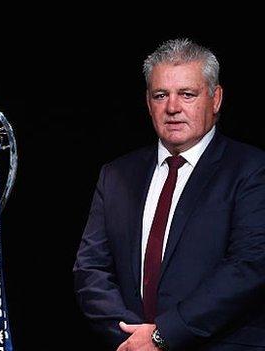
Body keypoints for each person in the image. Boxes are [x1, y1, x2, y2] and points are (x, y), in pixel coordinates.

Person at [73, 38, 265, 350]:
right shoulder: (117, 175)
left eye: (187, 94)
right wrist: (132, 338)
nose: (172, 107)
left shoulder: (251, 169)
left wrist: (164, 336)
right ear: (148, 103)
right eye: (160, 95)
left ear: (215, 99)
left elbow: (249, 266)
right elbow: (90, 269)